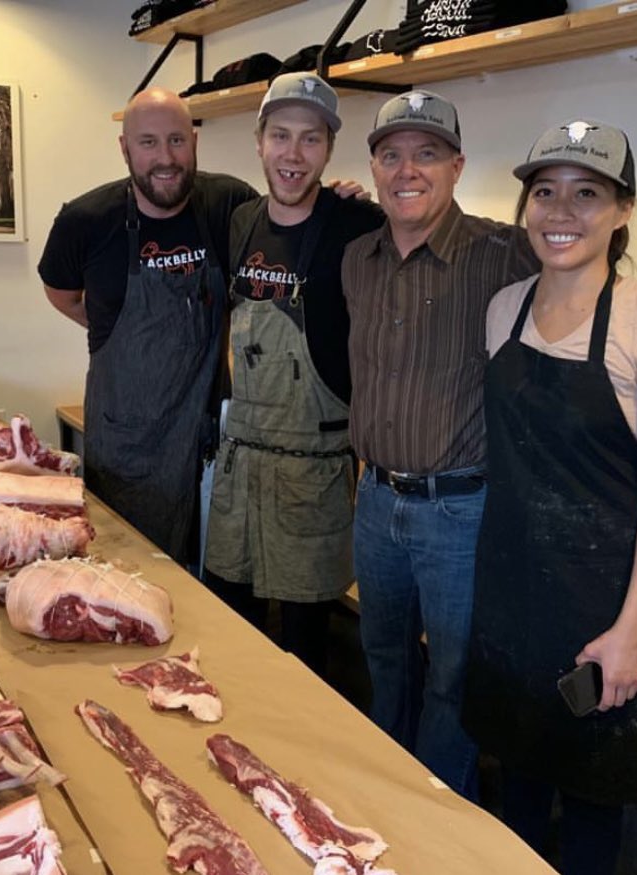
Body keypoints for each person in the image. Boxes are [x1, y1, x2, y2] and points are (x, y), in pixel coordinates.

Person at [340, 92, 637, 799]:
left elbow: (586, 263)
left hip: (461, 511)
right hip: (374, 499)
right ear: (372, 167)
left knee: (454, 681)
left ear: (457, 167)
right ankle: (377, 803)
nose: (407, 170)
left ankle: (439, 814)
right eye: (391, 154)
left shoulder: (502, 253)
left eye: (427, 154)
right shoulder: (356, 254)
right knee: (384, 656)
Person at [461, 120, 637, 875]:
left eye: (586, 193)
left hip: (605, 603)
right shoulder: (503, 308)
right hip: (510, 591)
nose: (560, 211)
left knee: (594, 800)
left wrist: (631, 631)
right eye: (544, 192)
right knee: (517, 777)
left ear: (622, 210)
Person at [202, 73, 382, 676]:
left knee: (305, 654)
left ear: (329, 150)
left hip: (314, 474)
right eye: (280, 135)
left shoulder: (358, 225)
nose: (293, 154)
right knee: (232, 634)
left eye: (311, 139)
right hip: (240, 467)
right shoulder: (240, 222)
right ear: (259, 141)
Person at [38, 88, 256, 565]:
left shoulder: (229, 203)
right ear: (125, 148)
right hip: (127, 444)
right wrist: (114, 328)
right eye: (148, 142)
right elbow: (61, 295)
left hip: (209, 437)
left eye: (176, 140)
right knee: (130, 575)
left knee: (212, 578)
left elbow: (287, 232)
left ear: (194, 141)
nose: (165, 158)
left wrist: (337, 202)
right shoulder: (85, 221)